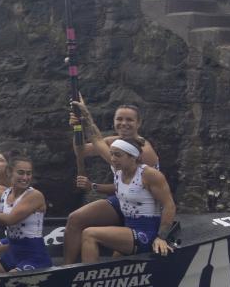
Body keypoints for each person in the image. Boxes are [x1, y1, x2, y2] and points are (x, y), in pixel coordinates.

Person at [61, 97, 162, 263]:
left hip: (144, 209)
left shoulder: (144, 150)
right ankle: (65, 269)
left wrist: (86, 117)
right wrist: (77, 128)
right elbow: (81, 151)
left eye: (129, 120)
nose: (124, 123)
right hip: (123, 200)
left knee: (95, 237)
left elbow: (99, 143)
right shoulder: (113, 141)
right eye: (119, 119)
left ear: (139, 123)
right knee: (75, 218)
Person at [79, 140, 176, 262]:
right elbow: (118, 188)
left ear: (133, 157)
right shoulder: (119, 172)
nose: (113, 159)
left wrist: (161, 237)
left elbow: (169, 205)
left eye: (118, 155)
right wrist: (92, 186)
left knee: (89, 234)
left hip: (146, 233)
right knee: (114, 264)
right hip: (128, 228)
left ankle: (87, 277)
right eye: (112, 154)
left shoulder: (150, 175)